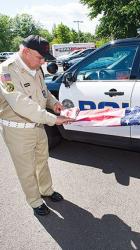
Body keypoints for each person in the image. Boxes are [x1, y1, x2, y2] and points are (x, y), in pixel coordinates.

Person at [0, 35, 74, 216]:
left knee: (42, 162)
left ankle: (46, 190)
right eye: (40, 57)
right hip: (17, 130)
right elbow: (20, 102)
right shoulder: (6, 71)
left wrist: (54, 103)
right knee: (26, 169)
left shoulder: (37, 68)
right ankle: (34, 201)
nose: (42, 62)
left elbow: (44, 92)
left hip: (38, 126)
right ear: (25, 51)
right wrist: (53, 119)